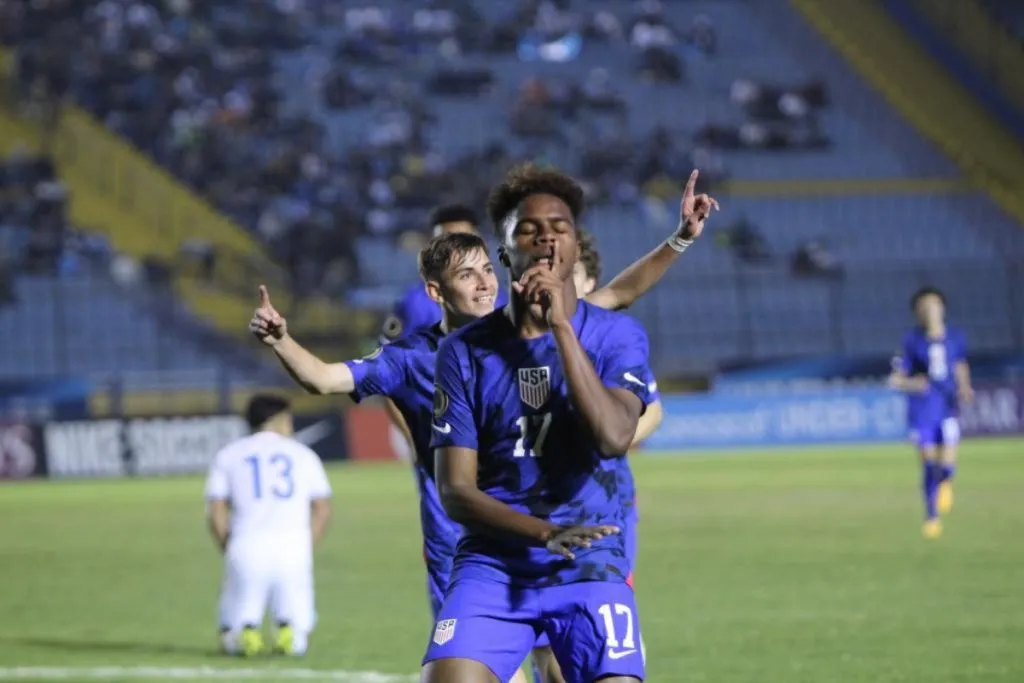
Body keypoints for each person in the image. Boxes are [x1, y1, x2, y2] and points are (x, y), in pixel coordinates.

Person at [251, 170, 716, 682]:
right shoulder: (420, 356)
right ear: (436, 290)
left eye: (483, 272)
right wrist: (281, 342)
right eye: (465, 274)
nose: (482, 283)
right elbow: (323, 378)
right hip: (467, 531)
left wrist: (678, 241)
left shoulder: (544, 320)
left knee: (559, 665)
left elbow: (615, 297)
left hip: (568, 531)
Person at [422, 164, 658, 683]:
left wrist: (560, 327)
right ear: (504, 252)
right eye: (529, 228)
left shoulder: (616, 336)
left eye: (561, 226)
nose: (547, 235)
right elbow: (455, 491)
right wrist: (543, 532)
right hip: (495, 562)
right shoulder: (463, 351)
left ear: (575, 249)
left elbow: (614, 438)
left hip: (590, 561)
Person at [205, 395, 333, 656]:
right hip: (294, 544)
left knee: (234, 620)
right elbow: (322, 508)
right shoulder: (303, 454)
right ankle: (289, 634)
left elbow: (216, 509)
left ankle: (244, 634)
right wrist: (308, 544)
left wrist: (227, 545)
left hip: (247, 541)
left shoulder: (229, 454)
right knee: (298, 629)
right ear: (276, 420)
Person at [887, 286, 974, 539]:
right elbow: (896, 378)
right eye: (924, 307)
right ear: (917, 313)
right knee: (927, 462)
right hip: (922, 408)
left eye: (934, 305)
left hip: (947, 406)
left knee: (946, 462)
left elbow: (960, 364)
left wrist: (965, 387)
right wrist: (912, 383)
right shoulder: (912, 341)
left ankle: (946, 480)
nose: (930, 311)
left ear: (942, 308)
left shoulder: (955, 337)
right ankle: (931, 514)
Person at [380, 204, 508, 344]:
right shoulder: (413, 304)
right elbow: (389, 355)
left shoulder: (502, 300)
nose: (457, 250)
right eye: (446, 242)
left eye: (465, 240)